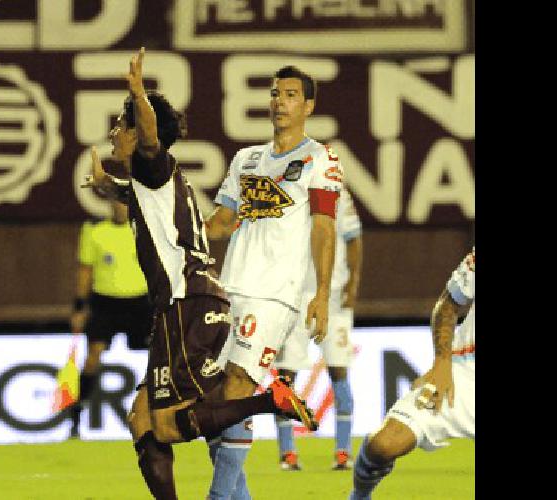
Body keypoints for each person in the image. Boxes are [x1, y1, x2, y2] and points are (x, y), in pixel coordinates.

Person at [81, 47, 316, 500]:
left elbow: (151, 140)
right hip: (182, 305)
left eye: (121, 124)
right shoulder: (154, 182)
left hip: (187, 303)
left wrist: (139, 96)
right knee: (142, 421)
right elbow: (142, 200)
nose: (114, 132)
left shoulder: (153, 163)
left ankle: (271, 400)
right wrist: (109, 186)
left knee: (167, 426)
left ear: (136, 132)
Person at [202, 64, 345, 499]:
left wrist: (320, 294)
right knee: (211, 403)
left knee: (239, 388)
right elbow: (220, 223)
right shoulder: (245, 159)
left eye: (289, 94)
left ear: (308, 105)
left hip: (274, 296)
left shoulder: (320, 159)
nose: (279, 101)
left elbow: (324, 227)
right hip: (228, 290)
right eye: (274, 93)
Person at [349, 248, 474, 500]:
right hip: (465, 372)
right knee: (384, 444)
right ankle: (359, 496)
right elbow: (447, 306)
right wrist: (442, 364)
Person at [273, 188, 363, 471]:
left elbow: (353, 239)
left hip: (333, 298)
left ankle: (343, 452)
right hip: (294, 299)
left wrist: (353, 283)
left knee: (339, 371)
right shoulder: (283, 193)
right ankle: (288, 453)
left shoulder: (339, 194)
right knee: (285, 377)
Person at [69, 197, 152, 438]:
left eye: (125, 203)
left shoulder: (143, 230)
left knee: (159, 358)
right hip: (105, 303)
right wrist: (79, 307)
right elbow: (85, 271)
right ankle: (76, 417)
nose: (121, 207)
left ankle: (158, 415)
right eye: (117, 202)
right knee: (92, 357)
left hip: (140, 302)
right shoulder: (94, 231)